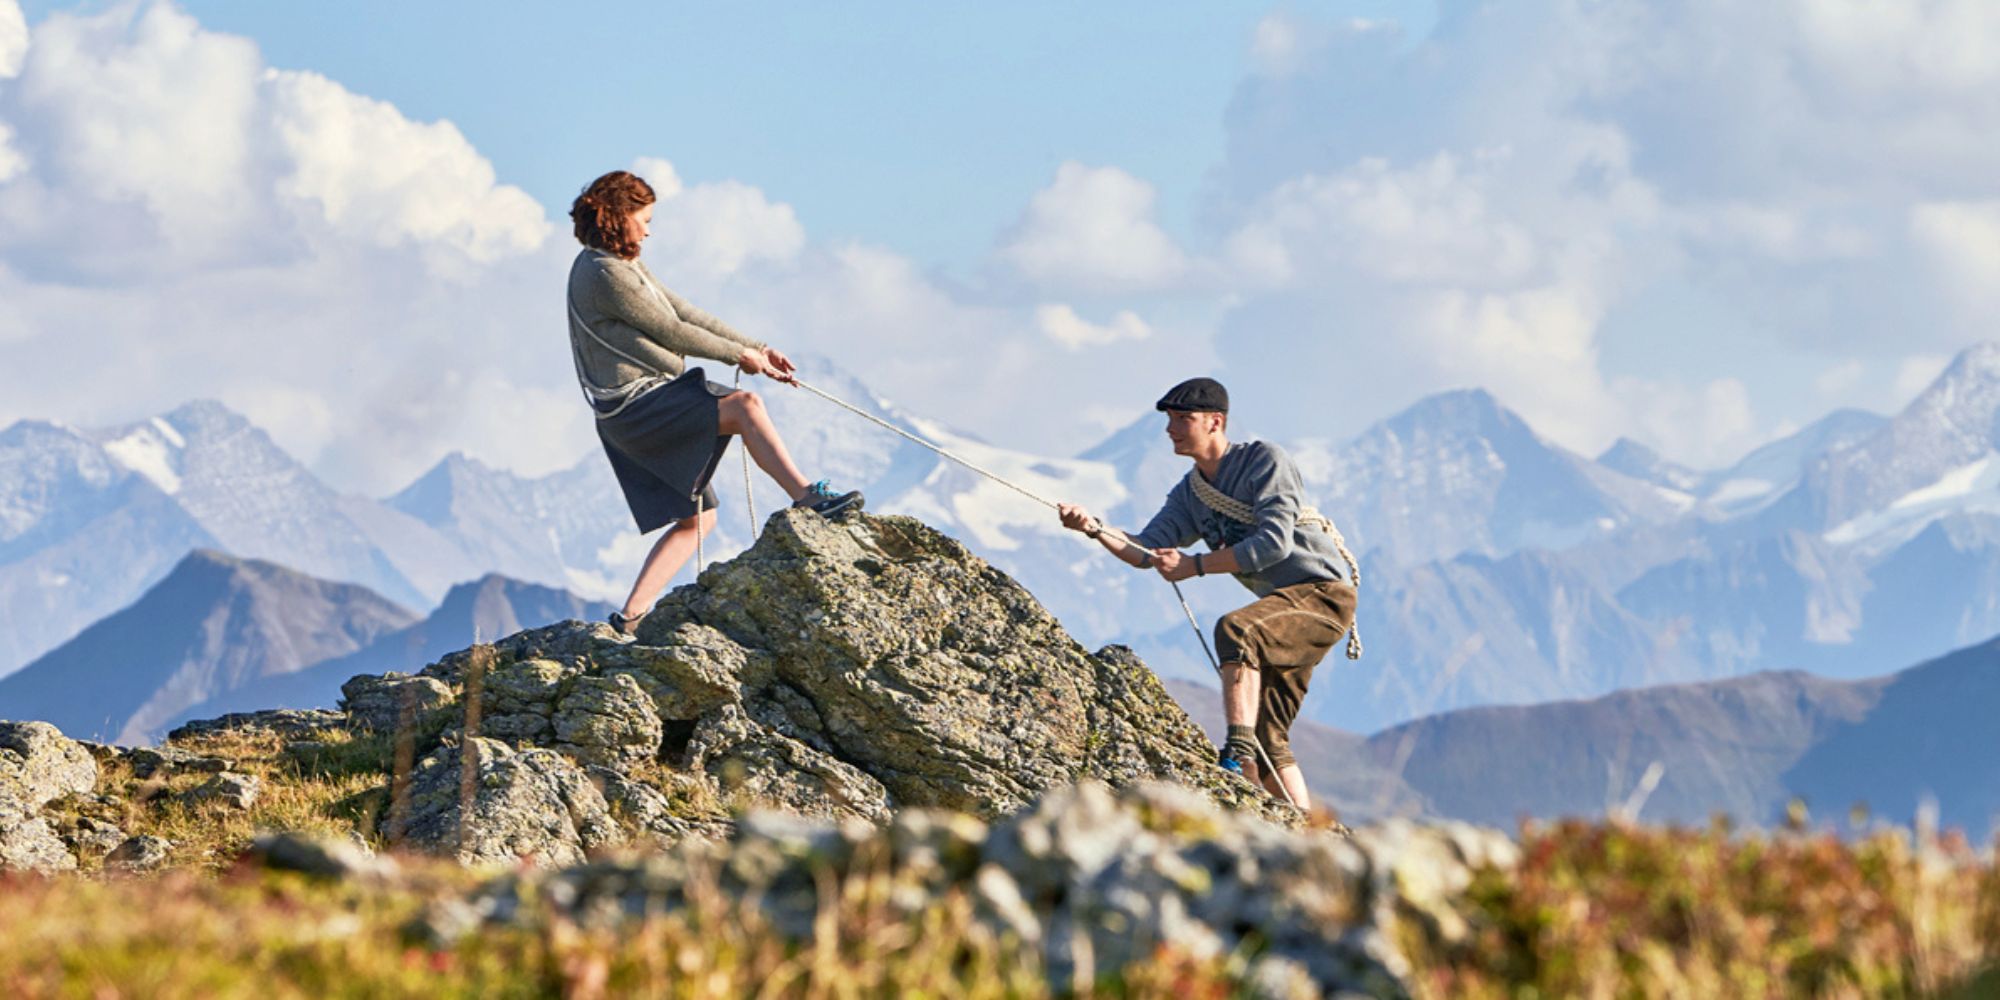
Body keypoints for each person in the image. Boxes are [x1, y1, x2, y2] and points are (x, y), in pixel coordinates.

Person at [567, 170, 862, 635]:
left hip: (635, 408)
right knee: (746, 407)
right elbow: (672, 332)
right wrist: (738, 357)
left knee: (698, 518)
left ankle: (629, 620)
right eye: (643, 219)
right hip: (637, 407)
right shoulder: (605, 273)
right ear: (619, 218)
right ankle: (808, 499)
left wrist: (757, 348)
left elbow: (683, 310)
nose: (648, 229)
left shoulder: (620, 265)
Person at [1057, 377, 1359, 810]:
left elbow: (1273, 544)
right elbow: (1146, 550)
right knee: (1270, 738)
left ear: (1216, 422)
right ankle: (1312, 840)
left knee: (1237, 631)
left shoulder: (1263, 461)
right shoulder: (1191, 493)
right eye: (1170, 419)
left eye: (1184, 418)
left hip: (1322, 595)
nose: (1171, 429)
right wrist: (1094, 528)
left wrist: (1194, 566)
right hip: (1282, 609)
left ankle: (1237, 755)